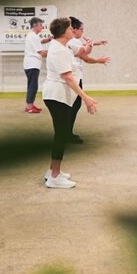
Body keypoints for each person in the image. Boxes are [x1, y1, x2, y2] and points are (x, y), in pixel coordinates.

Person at [43, 17, 97, 189]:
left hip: (58, 95)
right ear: (64, 31)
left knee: (61, 133)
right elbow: (68, 77)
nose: (72, 30)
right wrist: (85, 97)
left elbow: (83, 52)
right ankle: (55, 176)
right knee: (61, 135)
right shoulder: (59, 50)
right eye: (70, 28)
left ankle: (52, 171)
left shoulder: (62, 46)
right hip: (56, 95)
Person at [67, 16, 109, 143]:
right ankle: (66, 134)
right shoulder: (74, 41)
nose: (83, 32)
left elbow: (83, 48)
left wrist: (94, 43)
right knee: (74, 106)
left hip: (75, 75)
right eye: (81, 29)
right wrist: (99, 61)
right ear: (74, 30)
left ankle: (67, 132)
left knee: (74, 105)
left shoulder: (72, 41)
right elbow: (85, 56)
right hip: (73, 76)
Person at [23, 17, 51, 114]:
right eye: (40, 25)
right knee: (33, 86)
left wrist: (49, 39)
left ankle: (30, 105)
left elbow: (41, 42)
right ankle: (29, 107)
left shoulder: (32, 36)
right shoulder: (33, 36)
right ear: (35, 25)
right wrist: (55, 54)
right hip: (32, 65)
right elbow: (42, 52)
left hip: (31, 64)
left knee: (31, 85)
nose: (42, 27)